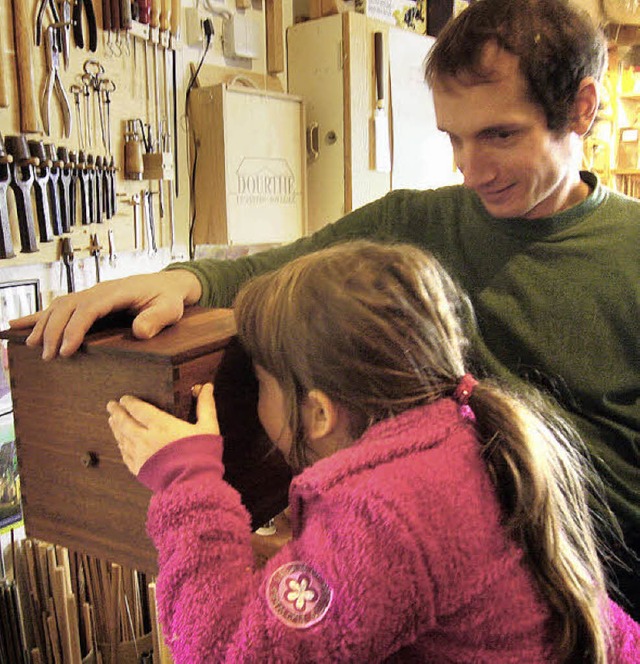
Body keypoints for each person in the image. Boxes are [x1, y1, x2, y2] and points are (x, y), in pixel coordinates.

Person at [11, 0, 639, 618]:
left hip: (607, 609)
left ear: (581, 109)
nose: (470, 170)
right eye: (454, 138)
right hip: (453, 595)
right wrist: (180, 281)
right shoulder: (414, 221)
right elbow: (274, 268)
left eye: (500, 135)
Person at [106, 241, 639, 663]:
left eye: (260, 381)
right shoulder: (454, 430)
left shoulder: (384, 513)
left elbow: (223, 653)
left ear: (318, 414)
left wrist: (188, 483)